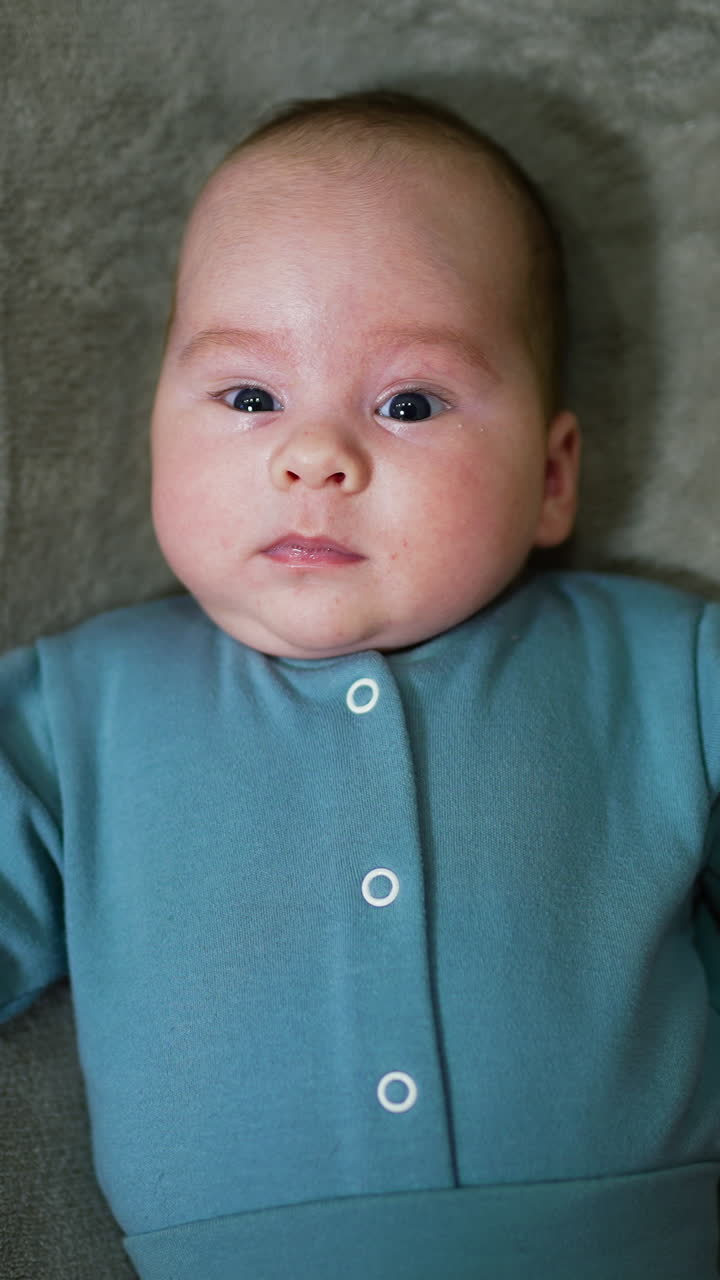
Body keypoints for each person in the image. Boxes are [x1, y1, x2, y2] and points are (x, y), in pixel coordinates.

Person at [1, 88, 719, 1280]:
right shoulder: (80, 713)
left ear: (551, 476)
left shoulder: (664, 666)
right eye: (248, 397)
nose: (314, 452)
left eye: (407, 402)